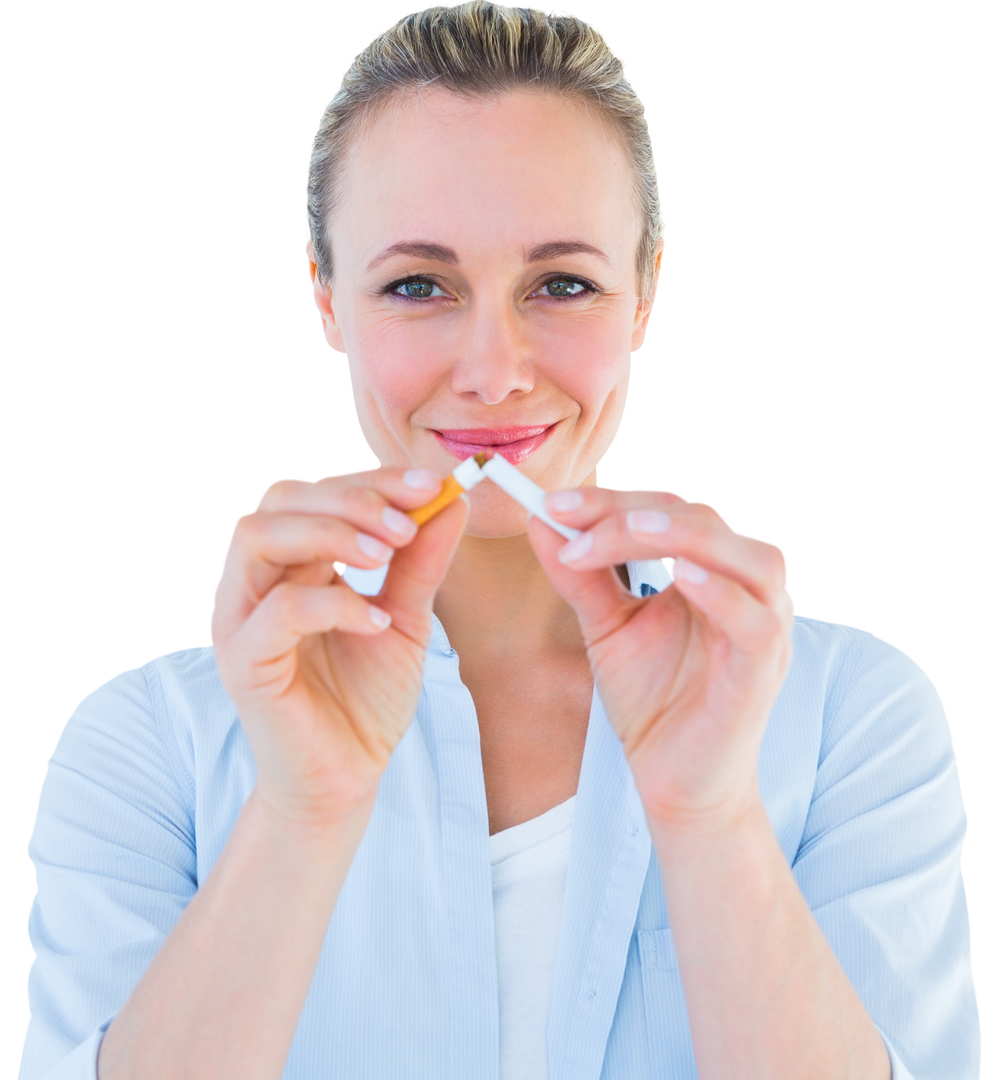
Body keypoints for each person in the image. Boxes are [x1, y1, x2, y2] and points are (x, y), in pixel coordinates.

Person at [20, 3, 980, 1078]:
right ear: (327, 299)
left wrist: (707, 819)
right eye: (418, 286)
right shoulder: (148, 745)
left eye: (562, 284)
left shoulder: (852, 714)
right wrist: (300, 812)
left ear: (646, 295)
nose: (494, 369)